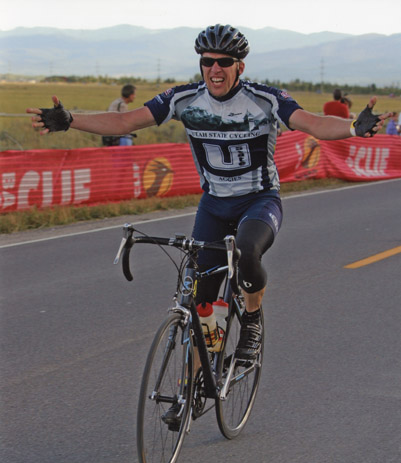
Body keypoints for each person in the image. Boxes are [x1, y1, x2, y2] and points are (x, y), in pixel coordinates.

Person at [27, 24, 393, 363]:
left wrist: (352, 127)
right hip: (214, 205)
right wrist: (71, 120)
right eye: (207, 62)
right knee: (202, 301)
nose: (214, 69)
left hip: (259, 199)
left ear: (240, 66)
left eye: (224, 62)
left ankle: (251, 320)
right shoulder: (184, 99)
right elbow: (125, 121)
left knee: (248, 250)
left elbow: (312, 123)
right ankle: (199, 379)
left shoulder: (265, 100)